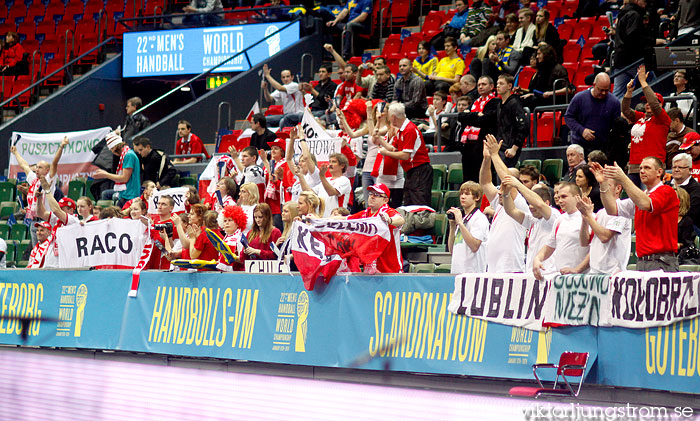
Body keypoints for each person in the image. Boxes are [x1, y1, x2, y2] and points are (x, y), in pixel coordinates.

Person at [597, 158, 680, 271]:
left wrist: (623, 179)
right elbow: (612, 209)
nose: (641, 171)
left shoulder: (667, 191)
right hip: (642, 260)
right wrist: (603, 184)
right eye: (640, 168)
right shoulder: (639, 197)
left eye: (647, 168)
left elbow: (645, 203)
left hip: (661, 261)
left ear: (659, 172)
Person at [480, 134, 531, 272]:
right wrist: (487, 159)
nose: (499, 190)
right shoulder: (499, 201)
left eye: (503, 185)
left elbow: (506, 178)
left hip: (511, 267)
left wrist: (496, 155)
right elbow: (485, 183)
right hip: (493, 268)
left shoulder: (519, 202)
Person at [10, 136, 67, 247]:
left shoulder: (49, 179)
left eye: (40, 167)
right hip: (34, 222)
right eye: (36, 167)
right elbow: (24, 166)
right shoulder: (34, 179)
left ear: (47, 170)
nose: (37, 169)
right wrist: (16, 152)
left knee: (47, 250)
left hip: (46, 220)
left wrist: (61, 146)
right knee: (37, 252)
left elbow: (55, 163)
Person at [622, 65, 671, 187]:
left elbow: (655, 105)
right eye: (646, 102)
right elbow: (625, 110)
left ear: (661, 104)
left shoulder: (662, 119)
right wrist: (629, 92)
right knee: (632, 201)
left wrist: (643, 82)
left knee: (648, 200)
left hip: (652, 168)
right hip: (634, 167)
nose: (648, 104)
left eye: (651, 102)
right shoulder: (640, 117)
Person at [501, 174, 560, 274]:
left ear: (547, 203)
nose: (530, 207)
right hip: (531, 273)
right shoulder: (532, 219)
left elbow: (539, 205)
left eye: (532, 204)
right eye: (529, 204)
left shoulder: (554, 216)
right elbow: (511, 210)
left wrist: (518, 185)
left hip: (548, 273)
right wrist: (506, 194)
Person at [377, 102, 433, 206]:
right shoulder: (401, 130)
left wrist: (386, 153)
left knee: (419, 202)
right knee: (409, 202)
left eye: (389, 116)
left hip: (419, 170)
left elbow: (405, 155)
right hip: (411, 171)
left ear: (393, 117)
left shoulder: (409, 130)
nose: (388, 119)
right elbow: (393, 148)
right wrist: (380, 139)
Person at [532, 182, 589, 279]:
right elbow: (549, 246)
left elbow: (593, 251)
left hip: (580, 278)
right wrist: (537, 259)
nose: (560, 200)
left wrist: (577, 269)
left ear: (577, 197)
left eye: (564, 197)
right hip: (560, 277)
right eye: (559, 197)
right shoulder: (560, 219)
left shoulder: (589, 217)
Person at [577, 176, 632, 274]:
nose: (602, 189)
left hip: (612, 272)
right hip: (594, 272)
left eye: (606, 185)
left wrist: (589, 216)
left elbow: (605, 237)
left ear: (618, 188)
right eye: (601, 186)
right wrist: (584, 219)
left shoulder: (622, 210)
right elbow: (584, 242)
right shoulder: (600, 213)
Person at [347, 183, 405, 273]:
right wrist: (319, 221)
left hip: (391, 270)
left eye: (377, 195)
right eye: (371, 194)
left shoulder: (388, 212)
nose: (372, 197)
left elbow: (400, 220)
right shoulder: (365, 214)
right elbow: (344, 220)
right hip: (371, 272)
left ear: (385, 200)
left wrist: (389, 220)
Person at [564, 73, 621, 156]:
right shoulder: (579, 98)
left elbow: (616, 126)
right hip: (580, 147)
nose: (604, 93)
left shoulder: (614, 102)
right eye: (601, 90)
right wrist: (582, 130)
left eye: (607, 90)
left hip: (602, 149)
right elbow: (568, 117)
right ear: (594, 85)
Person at [454, 76, 496, 182]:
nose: (480, 87)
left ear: (491, 86)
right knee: (468, 181)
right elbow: (461, 116)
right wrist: (477, 114)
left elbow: (485, 121)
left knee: (483, 180)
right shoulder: (475, 102)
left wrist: (471, 116)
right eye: (479, 85)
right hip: (468, 147)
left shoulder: (495, 102)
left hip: (483, 146)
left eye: (483, 84)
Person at [612, 0, 655, 98]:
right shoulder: (634, 15)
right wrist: (651, 41)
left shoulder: (624, 13)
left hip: (621, 59)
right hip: (633, 60)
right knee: (653, 85)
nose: (646, 2)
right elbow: (633, 36)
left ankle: (613, 112)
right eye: (643, 0)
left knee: (618, 93)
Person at [447, 181, 489, 274]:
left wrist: (460, 224)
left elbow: (474, 246)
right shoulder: (463, 219)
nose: (462, 197)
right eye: (461, 194)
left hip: (472, 274)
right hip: (456, 271)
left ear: (477, 197)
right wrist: (453, 226)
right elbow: (452, 250)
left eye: (467, 194)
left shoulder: (479, 218)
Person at [93, 132, 141, 207]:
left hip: (130, 195)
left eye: (112, 149)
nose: (113, 152)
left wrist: (106, 175)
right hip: (125, 194)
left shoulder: (129, 155)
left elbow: (124, 178)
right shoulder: (126, 154)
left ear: (115, 147)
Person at [520, 44, 570, 109]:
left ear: (546, 54)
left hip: (554, 100)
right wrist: (532, 94)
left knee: (526, 102)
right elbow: (539, 90)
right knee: (517, 99)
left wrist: (550, 93)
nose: (537, 57)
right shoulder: (542, 69)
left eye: (539, 54)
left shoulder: (559, 69)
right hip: (542, 98)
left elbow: (568, 90)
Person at [216, 205, 247, 272]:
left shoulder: (240, 238)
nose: (227, 223)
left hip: (237, 273)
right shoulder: (225, 238)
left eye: (230, 220)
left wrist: (234, 258)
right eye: (225, 221)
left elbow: (244, 259)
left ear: (238, 223)